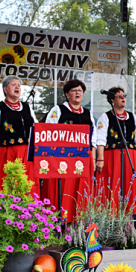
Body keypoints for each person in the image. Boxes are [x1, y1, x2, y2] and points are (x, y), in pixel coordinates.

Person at [41, 78, 95, 222]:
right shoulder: (58, 110)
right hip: (63, 158)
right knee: (64, 191)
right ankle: (60, 222)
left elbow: (93, 139)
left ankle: (79, 222)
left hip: (84, 158)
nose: (78, 93)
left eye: (80, 90)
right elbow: (48, 132)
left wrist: (94, 159)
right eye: (74, 90)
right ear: (67, 94)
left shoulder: (88, 113)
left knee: (81, 191)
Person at [0, 75, 39, 203]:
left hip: (26, 154)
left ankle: (26, 217)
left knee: (27, 186)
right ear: (5, 89)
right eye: (13, 85)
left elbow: (37, 128)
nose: (17, 87)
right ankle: (2, 218)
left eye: (19, 85)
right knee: (6, 185)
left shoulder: (27, 107)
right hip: (6, 154)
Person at [95, 86, 136, 212]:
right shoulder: (105, 117)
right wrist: (100, 158)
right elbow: (100, 139)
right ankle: (111, 217)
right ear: (112, 100)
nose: (123, 98)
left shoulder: (133, 117)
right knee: (113, 185)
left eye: (124, 95)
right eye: (119, 96)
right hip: (112, 155)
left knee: (130, 186)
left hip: (131, 155)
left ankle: (130, 219)